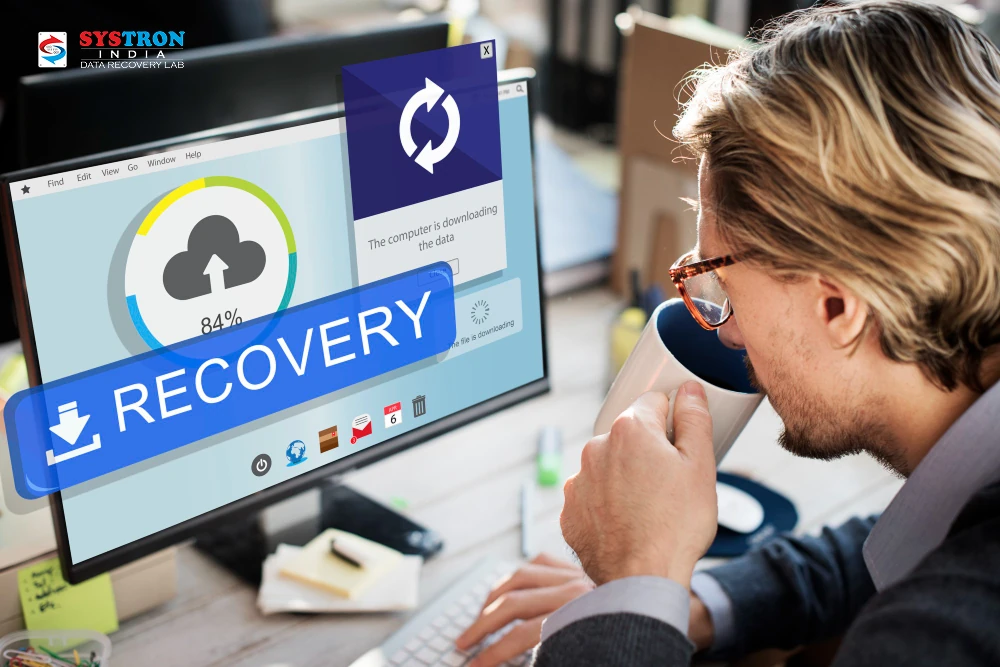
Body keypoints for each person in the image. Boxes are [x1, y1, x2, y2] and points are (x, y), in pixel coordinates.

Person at [454, 1, 1000, 664]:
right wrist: (680, 602)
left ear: (839, 307)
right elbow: (900, 544)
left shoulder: (946, 637)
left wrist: (635, 577)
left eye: (721, 283)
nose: (728, 332)